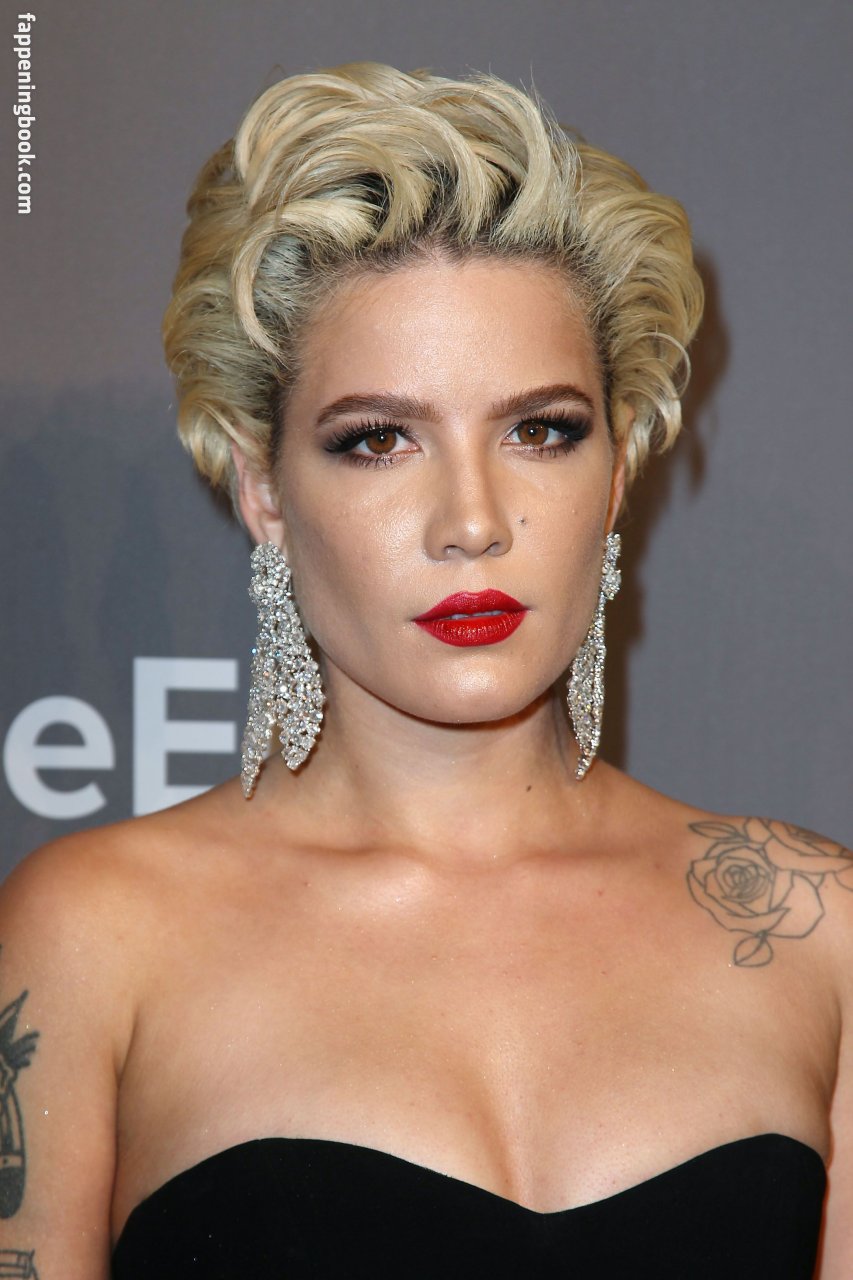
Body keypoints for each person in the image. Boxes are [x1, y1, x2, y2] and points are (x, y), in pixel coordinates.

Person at [0, 60, 849, 1280]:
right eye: (379, 439)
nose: (472, 521)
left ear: (615, 472)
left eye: (540, 430)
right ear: (262, 486)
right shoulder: (94, 935)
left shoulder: (820, 932)